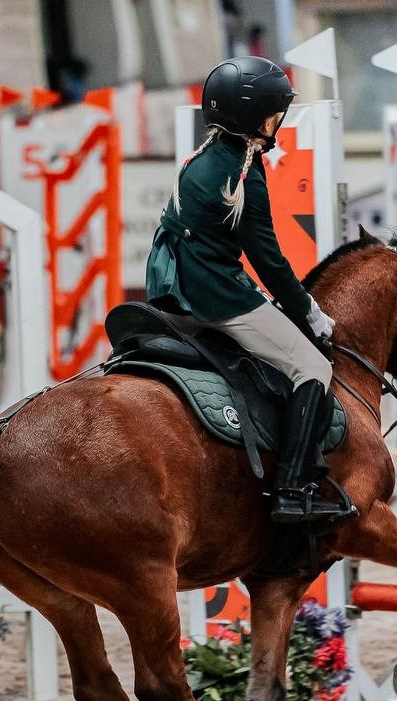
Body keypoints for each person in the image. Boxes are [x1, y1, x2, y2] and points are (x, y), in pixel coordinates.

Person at [144, 55, 350, 526]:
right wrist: (310, 313)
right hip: (214, 294)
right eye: (276, 112)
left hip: (172, 280)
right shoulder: (243, 176)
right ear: (256, 118)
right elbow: (270, 263)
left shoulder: (203, 158)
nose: (279, 120)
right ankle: (293, 487)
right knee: (311, 364)